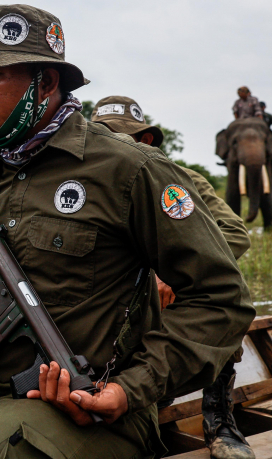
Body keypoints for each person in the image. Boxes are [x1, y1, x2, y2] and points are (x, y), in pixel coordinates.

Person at [0, 4, 253, 459]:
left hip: (94, 404)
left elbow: (221, 298)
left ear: (45, 82)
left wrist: (129, 389)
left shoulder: (128, 169)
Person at [91, 95, 254, 459]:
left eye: (118, 137)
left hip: (163, 303)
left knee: (215, 296)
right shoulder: (84, 188)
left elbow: (234, 233)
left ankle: (219, 421)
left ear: (144, 141)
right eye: (100, 136)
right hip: (117, 311)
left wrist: (165, 273)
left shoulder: (180, 179)